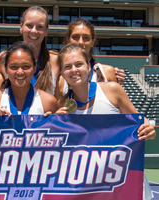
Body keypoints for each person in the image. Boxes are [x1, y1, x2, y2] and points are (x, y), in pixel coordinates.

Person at [57, 43, 155, 199]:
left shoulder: (112, 90)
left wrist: (148, 130)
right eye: (67, 66)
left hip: (125, 182)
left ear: (89, 67)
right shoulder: (61, 105)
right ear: (61, 72)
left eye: (79, 64)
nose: (74, 70)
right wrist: (56, 124)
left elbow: (140, 123)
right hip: (91, 188)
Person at [0, 6, 60, 96]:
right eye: (29, 25)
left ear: (46, 31)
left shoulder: (55, 61)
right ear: (21, 27)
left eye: (40, 27)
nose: (34, 31)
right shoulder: (3, 58)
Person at [0, 41, 58, 116]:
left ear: (34, 68)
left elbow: (58, 129)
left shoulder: (48, 102)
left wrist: (51, 123)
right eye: (14, 67)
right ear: (6, 69)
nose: (20, 72)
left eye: (26, 66)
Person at [63, 18, 125, 84]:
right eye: (75, 37)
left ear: (92, 42)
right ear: (68, 40)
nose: (80, 42)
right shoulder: (58, 73)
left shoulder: (107, 73)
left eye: (86, 38)